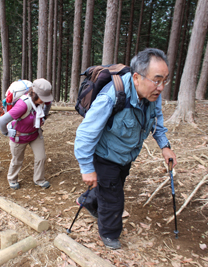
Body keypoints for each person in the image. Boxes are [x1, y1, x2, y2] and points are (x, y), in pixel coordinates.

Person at [74, 48, 177, 250]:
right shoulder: (111, 97)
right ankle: (109, 235)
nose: (161, 87)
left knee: (109, 188)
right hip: (105, 157)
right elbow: (85, 134)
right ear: (137, 77)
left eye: (165, 80)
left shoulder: (152, 94)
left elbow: (156, 120)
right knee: (114, 200)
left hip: (125, 155)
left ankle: (86, 200)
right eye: (157, 80)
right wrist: (86, 167)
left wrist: (164, 146)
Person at [0, 78, 53, 190]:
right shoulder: (22, 105)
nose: (45, 100)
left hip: (34, 134)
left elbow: (48, 104)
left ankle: (39, 179)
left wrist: (44, 117)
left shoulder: (43, 101)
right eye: (43, 98)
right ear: (35, 94)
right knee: (17, 160)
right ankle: (12, 179)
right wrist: (7, 132)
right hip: (19, 136)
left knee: (41, 157)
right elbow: (2, 121)